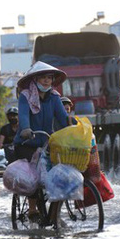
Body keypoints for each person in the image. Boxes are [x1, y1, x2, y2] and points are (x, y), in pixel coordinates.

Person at [13, 61, 72, 218]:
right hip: (27, 142)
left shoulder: (54, 97)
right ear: (35, 79)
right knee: (32, 176)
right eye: (43, 77)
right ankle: (32, 208)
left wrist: (75, 127)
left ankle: (54, 214)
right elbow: (23, 114)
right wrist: (25, 128)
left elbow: (63, 117)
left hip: (47, 142)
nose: (46, 80)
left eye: (49, 78)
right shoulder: (25, 96)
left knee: (59, 175)